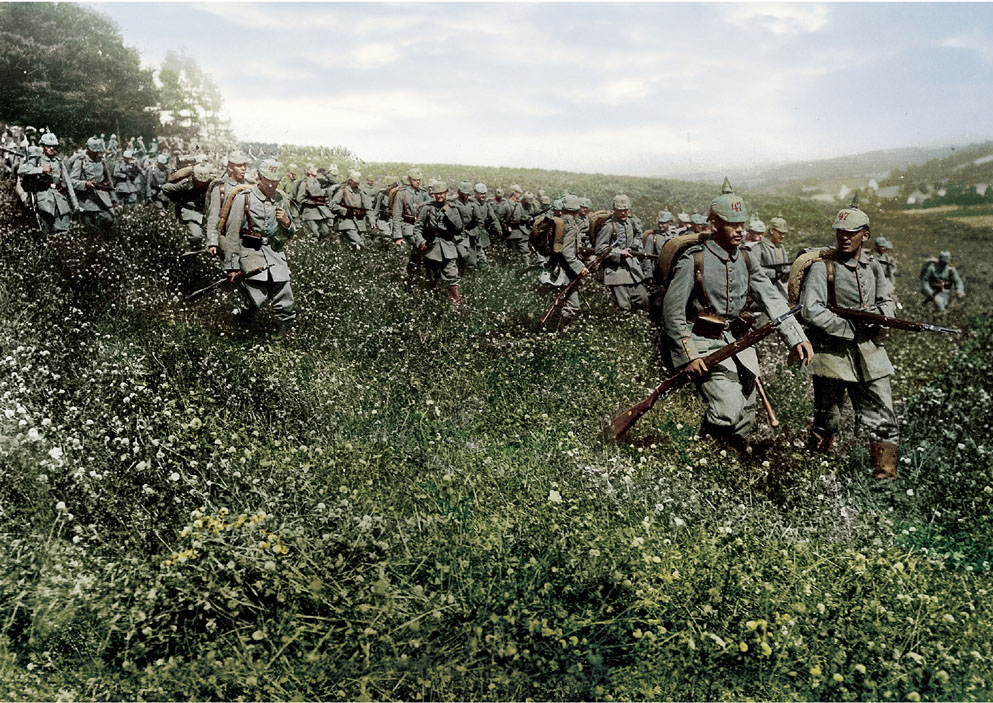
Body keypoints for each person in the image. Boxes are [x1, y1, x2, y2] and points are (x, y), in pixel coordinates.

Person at [662, 178, 813, 447]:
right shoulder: (694, 259)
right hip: (705, 345)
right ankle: (704, 457)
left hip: (740, 345)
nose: (739, 230)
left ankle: (730, 465)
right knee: (727, 409)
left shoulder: (745, 258)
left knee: (746, 413)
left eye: (742, 224)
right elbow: (673, 313)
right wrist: (689, 354)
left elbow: (772, 298)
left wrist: (796, 336)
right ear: (714, 224)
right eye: (732, 224)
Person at [799, 198, 899, 478]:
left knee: (883, 413)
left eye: (851, 232)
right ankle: (812, 473)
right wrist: (845, 327)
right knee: (828, 418)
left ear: (865, 235)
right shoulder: (824, 268)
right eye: (839, 232)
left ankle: (884, 477)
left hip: (869, 350)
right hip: (832, 352)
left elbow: (887, 301)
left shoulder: (874, 268)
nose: (844, 237)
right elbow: (811, 309)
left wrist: (878, 316)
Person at [222, 159, 299, 336]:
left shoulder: (281, 198)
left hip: (275, 253)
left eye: (276, 180)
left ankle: (284, 337)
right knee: (255, 299)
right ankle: (238, 331)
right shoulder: (244, 198)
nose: (272, 184)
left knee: (285, 298)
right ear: (259, 177)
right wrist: (232, 265)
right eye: (268, 179)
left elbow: (291, 233)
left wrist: (287, 223)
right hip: (250, 253)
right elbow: (232, 234)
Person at [595, 194, 649, 315]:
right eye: (620, 210)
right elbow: (599, 249)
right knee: (624, 306)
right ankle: (624, 328)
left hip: (631, 268)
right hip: (615, 270)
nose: (623, 213)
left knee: (643, 298)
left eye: (626, 210)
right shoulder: (609, 226)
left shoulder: (631, 222)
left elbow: (638, 235)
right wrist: (619, 253)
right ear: (614, 210)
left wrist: (634, 246)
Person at [411, 180, 464, 305]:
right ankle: (433, 302)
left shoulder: (452, 208)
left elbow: (459, 227)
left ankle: (456, 303)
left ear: (446, 193)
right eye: (437, 194)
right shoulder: (427, 208)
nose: (439, 196)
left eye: (442, 193)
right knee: (432, 277)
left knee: (452, 275)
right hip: (431, 247)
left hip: (448, 246)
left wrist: (449, 211)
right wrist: (421, 241)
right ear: (433, 195)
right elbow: (418, 228)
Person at [18, 131, 79, 234]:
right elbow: (21, 170)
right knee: (45, 232)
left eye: (54, 146)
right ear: (43, 146)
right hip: (44, 200)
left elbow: (68, 184)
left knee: (62, 231)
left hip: (59, 200)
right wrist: (41, 170)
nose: (51, 148)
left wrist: (75, 204)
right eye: (48, 146)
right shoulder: (36, 159)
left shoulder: (59, 162)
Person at [550, 194, 588, 323]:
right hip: (565, 269)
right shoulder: (571, 226)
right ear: (577, 211)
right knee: (572, 305)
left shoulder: (557, 221)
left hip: (553, 266)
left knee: (557, 298)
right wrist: (580, 267)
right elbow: (567, 252)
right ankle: (558, 329)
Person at [205, 151, 250, 256]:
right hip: (226, 237)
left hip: (247, 239)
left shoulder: (250, 186)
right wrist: (212, 243)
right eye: (239, 166)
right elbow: (213, 217)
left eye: (244, 165)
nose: (243, 168)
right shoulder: (220, 188)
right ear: (230, 168)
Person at [69, 136, 117, 234]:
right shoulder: (81, 161)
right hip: (86, 200)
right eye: (93, 151)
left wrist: (114, 199)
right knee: (89, 229)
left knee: (108, 220)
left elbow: (109, 181)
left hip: (102, 199)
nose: (96, 153)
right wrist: (85, 184)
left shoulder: (101, 161)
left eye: (97, 151)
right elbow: (71, 181)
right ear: (87, 149)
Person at [163, 163, 214, 251]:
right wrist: (179, 200)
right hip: (190, 211)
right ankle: (195, 250)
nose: (201, 183)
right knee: (196, 235)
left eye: (203, 182)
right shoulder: (185, 184)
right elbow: (165, 188)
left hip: (205, 210)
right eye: (199, 181)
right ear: (194, 177)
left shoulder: (211, 183)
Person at [331, 170, 375, 250]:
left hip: (360, 222)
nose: (357, 184)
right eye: (355, 182)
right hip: (346, 221)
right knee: (359, 243)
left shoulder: (360, 192)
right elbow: (332, 205)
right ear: (350, 181)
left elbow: (368, 208)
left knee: (358, 244)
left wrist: (372, 221)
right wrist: (345, 211)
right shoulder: (342, 190)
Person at [754, 216, 791, 297]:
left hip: (777, 287)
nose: (783, 236)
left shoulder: (781, 247)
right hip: (762, 289)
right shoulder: (760, 247)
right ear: (771, 231)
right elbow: (754, 271)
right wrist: (774, 273)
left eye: (784, 233)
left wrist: (786, 273)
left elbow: (785, 268)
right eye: (780, 233)